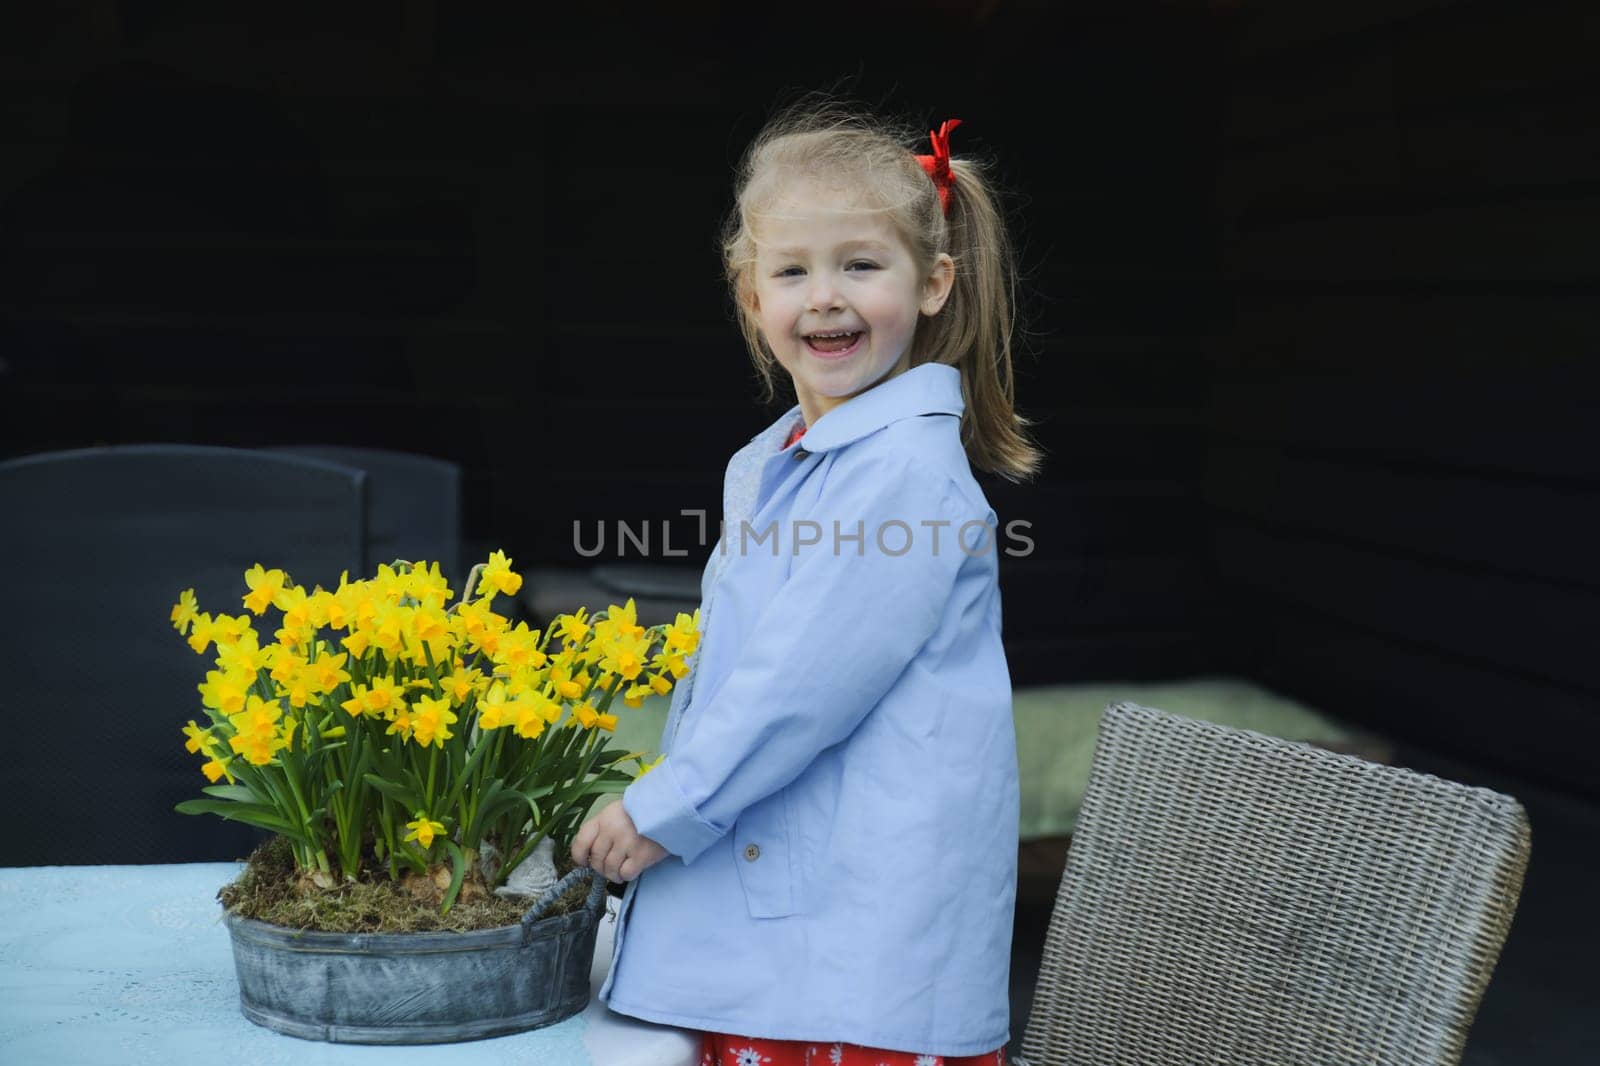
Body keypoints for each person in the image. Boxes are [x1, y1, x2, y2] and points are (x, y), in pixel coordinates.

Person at [571, 96, 1040, 1066]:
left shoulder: (898, 474)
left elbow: (798, 688)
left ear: (933, 283)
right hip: (790, 932)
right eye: (792, 270)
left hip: (854, 958)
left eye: (860, 265)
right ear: (753, 299)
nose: (824, 296)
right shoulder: (782, 458)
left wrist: (664, 808)